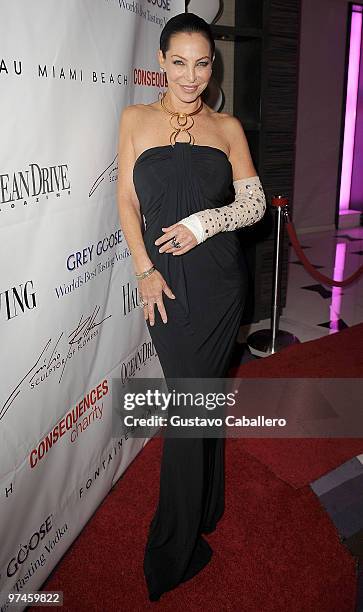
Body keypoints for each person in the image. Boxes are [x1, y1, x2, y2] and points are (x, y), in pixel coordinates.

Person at [117, 12, 266, 602]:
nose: (190, 75)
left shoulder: (227, 127)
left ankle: (175, 545)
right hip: (165, 283)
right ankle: (206, 505)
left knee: (187, 404)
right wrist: (143, 271)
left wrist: (206, 222)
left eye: (201, 62)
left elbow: (252, 205)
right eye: (178, 62)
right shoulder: (135, 119)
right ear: (160, 62)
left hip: (219, 282)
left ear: (213, 65)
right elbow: (127, 202)